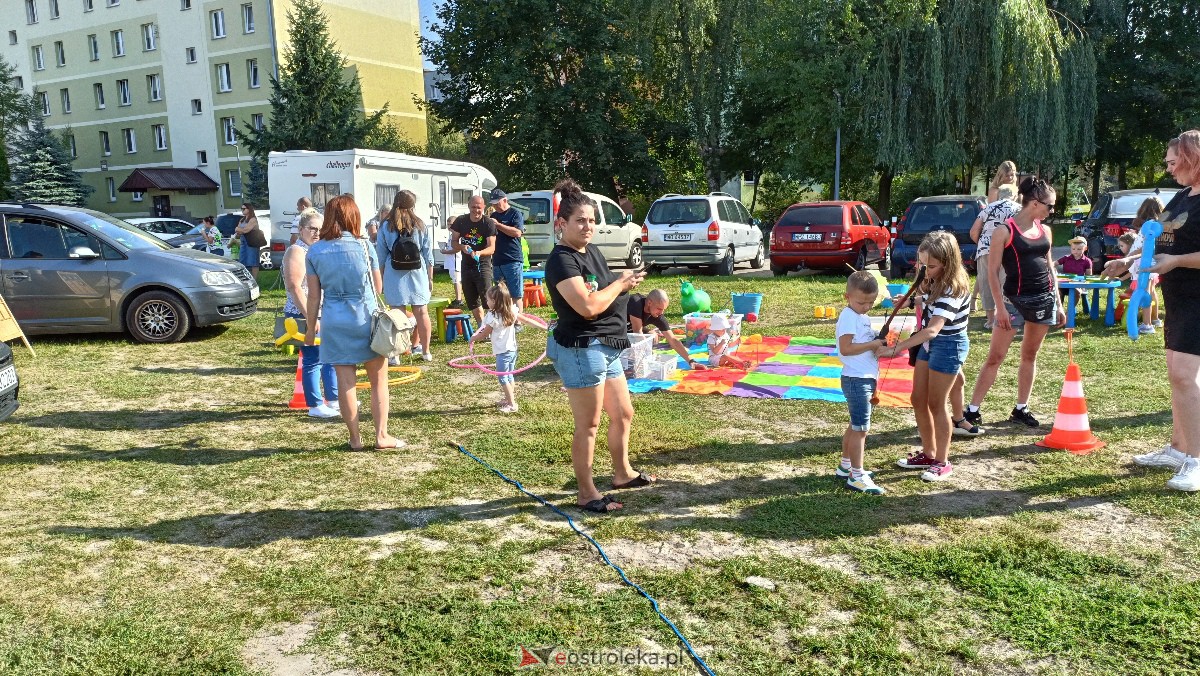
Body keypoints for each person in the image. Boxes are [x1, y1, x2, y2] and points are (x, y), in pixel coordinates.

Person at [544, 178, 649, 514]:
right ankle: (586, 492)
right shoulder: (562, 260)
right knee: (588, 424)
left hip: (607, 344)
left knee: (623, 413)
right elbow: (587, 306)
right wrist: (620, 283)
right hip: (581, 348)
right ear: (562, 224)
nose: (588, 226)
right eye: (580, 221)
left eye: (591, 220)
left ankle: (622, 473)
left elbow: (601, 290)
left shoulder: (590, 251)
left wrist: (623, 280)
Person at [1104, 131, 1200, 491]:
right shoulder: (1181, 197)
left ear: (1194, 157)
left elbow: (1175, 255)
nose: (1168, 166)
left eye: (1174, 160)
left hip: (1198, 301)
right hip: (1179, 300)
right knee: (1177, 374)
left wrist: (1176, 262)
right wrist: (1126, 262)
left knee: (1185, 378)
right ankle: (1179, 449)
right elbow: (1156, 245)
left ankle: (1196, 460)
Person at [303, 195, 405, 452]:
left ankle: (355, 439)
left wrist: (308, 330)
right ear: (353, 216)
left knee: (345, 383)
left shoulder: (314, 251)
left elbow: (314, 296)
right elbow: (378, 286)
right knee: (378, 381)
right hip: (366, 318)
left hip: (334, 321)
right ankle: (381, 436)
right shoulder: (363, 246)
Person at [965, 177, 1065, 431]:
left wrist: (1059, 302)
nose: (1052, 211)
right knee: (995, 357)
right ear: (1034, 203)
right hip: (1012, 302)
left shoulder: (1045, 230)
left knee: (1030, 355)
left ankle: (1021, 408)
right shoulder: (1004, 231)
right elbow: (992, 272)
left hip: (1043, 299)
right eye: (1050, 206)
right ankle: (973, 410)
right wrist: (999, 307)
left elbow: (1050, 265)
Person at [879, 231, 972, 481]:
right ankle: (929, 454)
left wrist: (896, 348)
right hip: (932, 345)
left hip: (948, 345)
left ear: (948, 263)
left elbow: (932, 329)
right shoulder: (935, 280)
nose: (924, 269)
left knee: (936, 403)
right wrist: (913, 301)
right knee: (918, 399)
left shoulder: (953, 288)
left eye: (930, 266)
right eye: (921, 264)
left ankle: (942, 461)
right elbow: (930, 299)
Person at [283, 208, 339, 419]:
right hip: (303, 313)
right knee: (312, 358)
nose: (316, 233)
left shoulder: (315, 250)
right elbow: (294, 286)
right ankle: (315, 404)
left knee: (329, 357)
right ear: (300, 230)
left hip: (320, 312)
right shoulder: (297, 251)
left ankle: (333, 399)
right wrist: (309, 317)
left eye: (320, 229)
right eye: (312, 229)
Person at [835, 271, 887, 494]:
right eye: (861, 302)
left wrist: (876, 337)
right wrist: (873, 344)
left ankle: (846, 466)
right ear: (847, 297)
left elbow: (863, 338)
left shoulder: (861, 316)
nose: (866, 306)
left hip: (863, 378)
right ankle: (856, 475)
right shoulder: (848, 316)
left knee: (854, 424)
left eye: (870, 302)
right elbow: (846, 348)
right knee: (861, 429)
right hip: (857, 380)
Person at [376, 190, 435, 362]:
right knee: (422, 313)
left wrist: (382, 276)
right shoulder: (420, 224)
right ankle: (426, 351)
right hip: (417, 272)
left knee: (397, 315)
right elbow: (427, 254)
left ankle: (396, 355)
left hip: (394, 272)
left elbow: (381, 254)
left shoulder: (386, 226)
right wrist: (430, 277)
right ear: (412, 205)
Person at [471, 282, 539, 413]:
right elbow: (527, 320)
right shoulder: (511, 311)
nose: (486, 301)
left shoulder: (493, 316)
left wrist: (473, 338)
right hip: (512, 350)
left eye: (487, 299)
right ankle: (509, 399)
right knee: (509, 376)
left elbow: (485, 332)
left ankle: (512, 404)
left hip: (502, 352)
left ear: (495, 301)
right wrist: (545, 327)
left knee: (503, 377)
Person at [969, 194, 1021, 329]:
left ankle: (991, 320)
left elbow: (974, 231)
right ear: (1014, 196)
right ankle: (1007, 315)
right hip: (1009, 248)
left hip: (986, 249)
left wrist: (982, 244)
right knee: (1006, 282)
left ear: (999, 196)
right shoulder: (1019, 209)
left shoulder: (988, 208)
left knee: (986, 282)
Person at [627, 289, 707, 370]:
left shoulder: (657, 315)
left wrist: (691, 361)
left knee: (653, 336)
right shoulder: (635, 302)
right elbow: (637, 333)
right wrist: (651, 358)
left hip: (630, 330)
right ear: (649, 303)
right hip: (616, 331)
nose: (661, 313)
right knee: (639, 344)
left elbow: (673, 340)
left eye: (663, 309)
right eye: (659, 308)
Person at [450, 196, 498, 326]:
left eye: (479, 207)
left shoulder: (488, 223)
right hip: (466, 265)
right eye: (473, 207)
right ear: (469, 206)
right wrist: (462, 247)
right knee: (471, 299)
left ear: (483, 208)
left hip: (482, 265)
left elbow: (492, 247)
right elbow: (453, 242)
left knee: (487, 297)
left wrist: (479, 252)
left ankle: (492, 326)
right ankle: (481, 326)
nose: (476, 210)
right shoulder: (461, 221)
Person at [1128, 197, 1165, 333]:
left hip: (1143, 262)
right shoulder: (1157, 225)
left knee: (1144, 291)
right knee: (1152, 290)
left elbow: (1142, 247)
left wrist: (1128, 258)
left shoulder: (1148, 225)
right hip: (1152, 262)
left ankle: (1147, 324)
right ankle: (1155, 319)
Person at [488, 189, 527, 310]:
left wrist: (498, 225)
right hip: (497, 260)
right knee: (501, 294)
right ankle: (505, 319)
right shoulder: (493, 215)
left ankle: (518, 322)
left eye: (497, 202)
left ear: (505, 200)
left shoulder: (515, 214)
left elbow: (517, 233)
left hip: (512, 259)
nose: (494, 206)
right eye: (493, 203)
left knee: (516, 294)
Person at [1056, 236, 1093, 315]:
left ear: (1085, 248)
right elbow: (1054, 263)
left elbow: (1088, 275)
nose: (1076, 251)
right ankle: (1059, 311)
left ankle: (1069, 311)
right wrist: (1052, 267)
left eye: (1079, 249)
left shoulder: (1087, 261)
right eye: (1073, 249)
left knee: (1077, 292)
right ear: (1071, 248)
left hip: (1078, 284)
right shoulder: (1066, 258)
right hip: (1065, 284)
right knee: (1058, 291)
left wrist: (1084, 283)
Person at [232, 202, 264, 281]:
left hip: (252, 242)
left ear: (249, 209)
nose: (242, 210)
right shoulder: (242, 220)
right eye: (241, 209)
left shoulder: (253, 219)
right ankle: (245, 279)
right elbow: (238, 232)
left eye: (244, 208)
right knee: (242, 261)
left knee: (253, 262)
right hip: (243, 242)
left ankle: (254, 280)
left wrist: (238, 229)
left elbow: (246, 230)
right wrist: (239, 230)